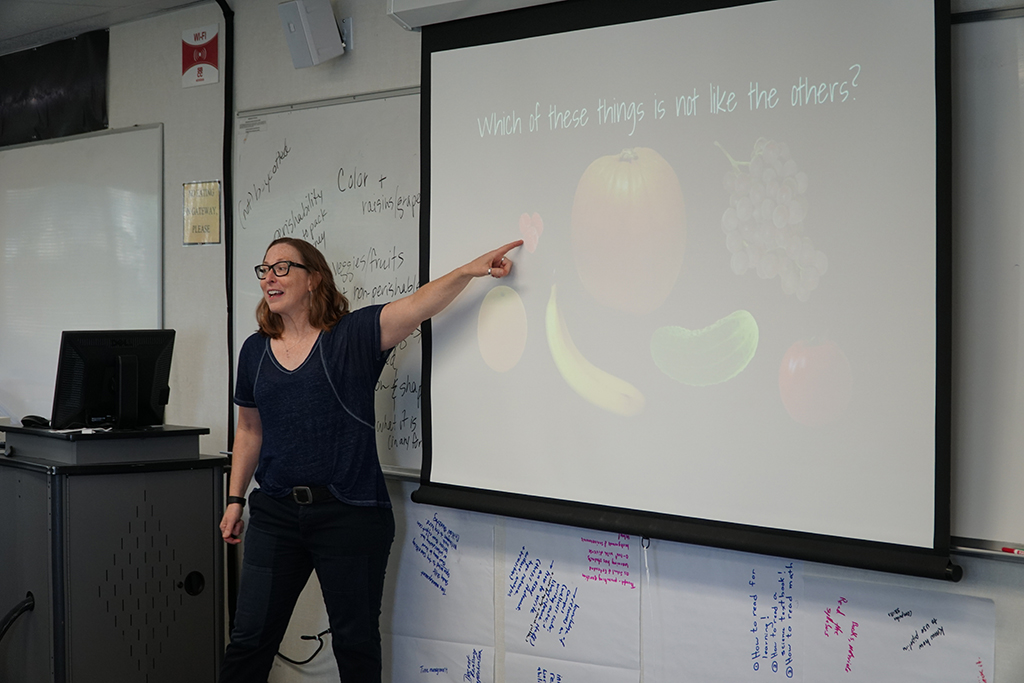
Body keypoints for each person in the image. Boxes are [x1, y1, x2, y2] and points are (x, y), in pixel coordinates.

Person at [219, 236, 523, 682]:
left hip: (349, 513)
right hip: (276, 513)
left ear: (313, 279)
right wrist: (234, 499)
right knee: (248, 642)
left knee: (355, 645)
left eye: (283, 268)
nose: (270, 277)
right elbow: (249, 430)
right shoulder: (254, 350)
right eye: (264, 269)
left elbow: (419, 305)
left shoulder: (352, 336)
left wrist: (467, 271)